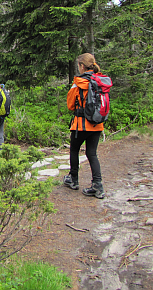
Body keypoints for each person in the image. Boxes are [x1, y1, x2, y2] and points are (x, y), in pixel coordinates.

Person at [63, 53, 106, 199]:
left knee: (74, 149)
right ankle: (97, 186)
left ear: (82, 66)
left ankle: (73, 179)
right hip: (97, 124)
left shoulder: (79, 83)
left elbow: (70, 105)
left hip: (81, 124)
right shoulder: (100, 80)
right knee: (92, 153)